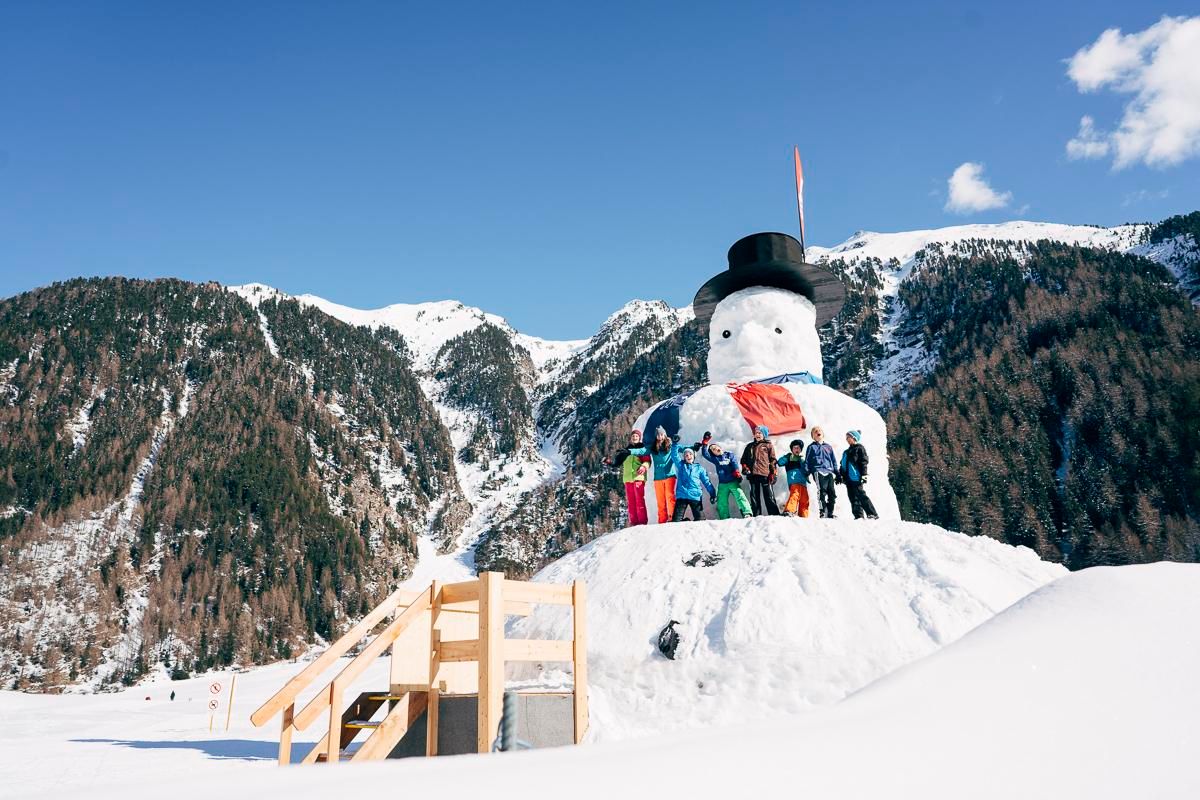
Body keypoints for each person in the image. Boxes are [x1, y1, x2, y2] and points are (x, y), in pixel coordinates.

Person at [612, 426, 680, 523]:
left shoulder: (671, 446)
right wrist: (629, 451)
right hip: (656, 477)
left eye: (662, 434)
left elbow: (647, 459)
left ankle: (672, 518)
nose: (660, 437)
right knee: (658, 500)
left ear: (665, 435)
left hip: (666, 475)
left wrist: (694, 447)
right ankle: (661, 521)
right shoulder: (653, 447)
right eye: (658, 435)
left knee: (669, 496)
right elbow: (641, 451)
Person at [695, 432, 753, 519]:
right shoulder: (715, 459)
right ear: (713, 453)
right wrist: (705, 443)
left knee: (740, 496)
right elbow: (705, 454)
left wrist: (736, 471)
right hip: (722, 484)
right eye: (713, 449)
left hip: (733, 481)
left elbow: (734, 462)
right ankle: (724, 517)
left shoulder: (729, 455)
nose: (715, 449)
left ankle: (747, 513)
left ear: (720, 447)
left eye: (716, 447)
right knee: (721, 501)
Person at [740, 425, 780, 516]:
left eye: (760, 433)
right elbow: (743, 460)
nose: (757, 434)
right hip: (752, 474)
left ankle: (774, 514)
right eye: (756, 433)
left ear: (764, 435)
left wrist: (773, 473)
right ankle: (756, 515)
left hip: (765, 474)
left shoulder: (768, 445)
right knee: (754, 496)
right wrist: (745, 467)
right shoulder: (749, 446)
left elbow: (773, 460)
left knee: (769, 495)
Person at [839, 430, 879, 520]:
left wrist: (864, 474)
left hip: (856, 477)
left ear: (854, 438)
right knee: (852, 498)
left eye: (848, 437)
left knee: (861, 496)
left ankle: (872, 513)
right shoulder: (846, 452)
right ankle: (858, 516)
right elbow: (842, 465)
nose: (847, 439)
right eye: (846, 438)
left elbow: (863, 462)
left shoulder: (859, 448)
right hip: (848, 479)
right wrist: (840, 476)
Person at [669, 446, 716, 521]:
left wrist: (713, 494)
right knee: (676, 521)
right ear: (684, 458)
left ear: (694, 456)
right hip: (682, 496)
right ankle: (686, 521)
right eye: (686, 455)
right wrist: (675, 443)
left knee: (700, 520)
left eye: (690, 454)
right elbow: (674, 454)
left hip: (695, 496)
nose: (688, 456)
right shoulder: (681, 465)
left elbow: (707, 482)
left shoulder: (699, 468)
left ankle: (690, 523)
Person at [615, 429, 651, 526]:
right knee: (631, 502)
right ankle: (634, 522)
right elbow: (617, 463)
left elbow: (648, 461)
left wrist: (643, 467)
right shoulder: (626, 450)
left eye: (636, 436)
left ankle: (642, 522)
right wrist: (608, 461)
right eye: (633, 436)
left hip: (638, 477)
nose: (635, 438)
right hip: (628, 479)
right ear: (631, 438)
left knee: (639, 500)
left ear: (639, 438)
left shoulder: (642, 449)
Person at [805, 426, 838, 518]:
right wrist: (807, 472)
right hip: (818, 471)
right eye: (815, 431)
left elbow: (833, 460)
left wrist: (837, 472)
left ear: (823, 434)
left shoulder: (828, 447)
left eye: (819, 431)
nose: (817, 432)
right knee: (822, 491)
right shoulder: (811, 447)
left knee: (832, 493)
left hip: (829, 471)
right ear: (813, 436)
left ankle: (830, 512)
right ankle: (822, 511)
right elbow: (807, 461)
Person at [777, 440, 811, 517]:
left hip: (803, 483)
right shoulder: (789, 458)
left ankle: (803, 515)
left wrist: (807, 472)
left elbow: (806, 470)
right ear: (792, 449)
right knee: (795, 495)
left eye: (798, 448)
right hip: (794, 481)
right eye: (795, 448)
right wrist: (786, 457)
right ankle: (789, 510)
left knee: (805, 499)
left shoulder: (802, 460)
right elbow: (779, 463)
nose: (796, 449)